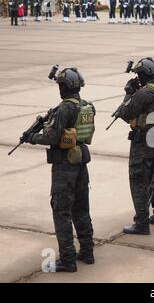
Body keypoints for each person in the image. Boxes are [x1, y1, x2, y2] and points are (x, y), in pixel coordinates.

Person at [25, 67, 96, 272]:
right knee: (82, 208)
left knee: (61, 210)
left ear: (64, 87)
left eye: (60, 85)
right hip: (81, 162)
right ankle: (87, 251)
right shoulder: (87, 106)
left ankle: (67, 259)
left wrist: (32, 138)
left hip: (65, 166)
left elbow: (51, 137)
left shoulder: (65, 108)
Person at [118, 58, 154, 234]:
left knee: (139, 180)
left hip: (143, 141)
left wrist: (129, 93)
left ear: (143, 74)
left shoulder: (144, 93)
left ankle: (141, 222)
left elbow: (125, 113)